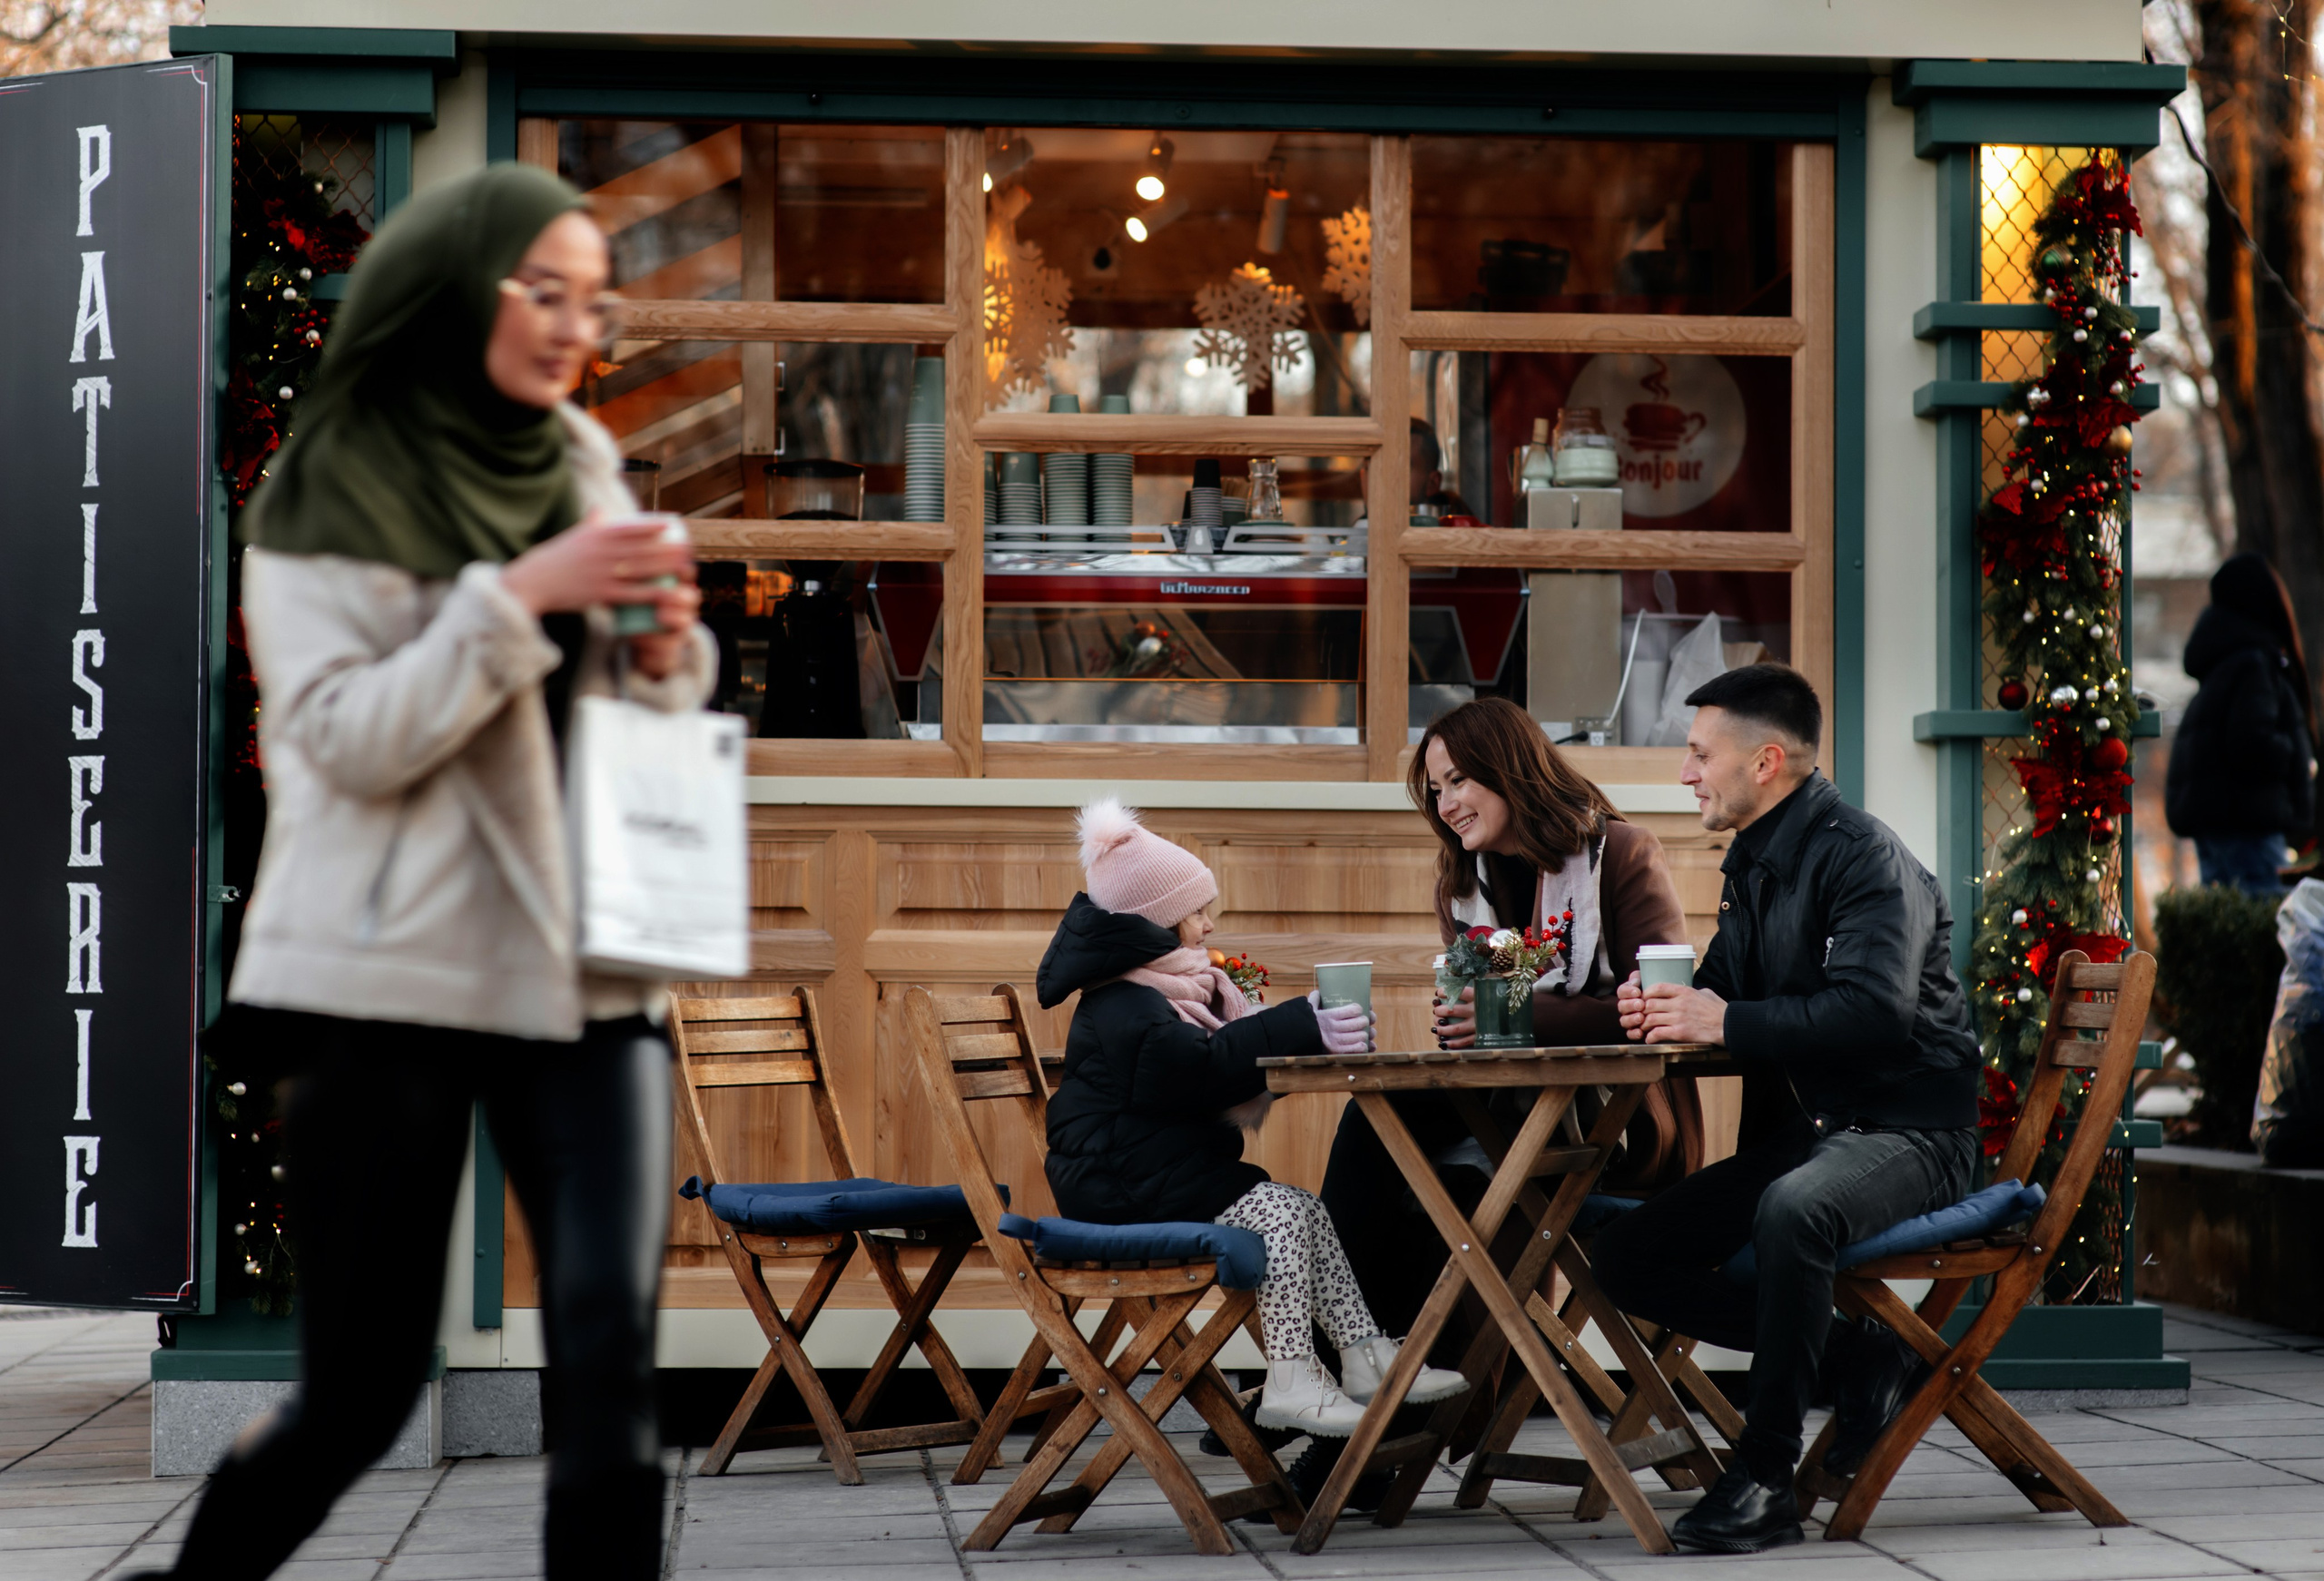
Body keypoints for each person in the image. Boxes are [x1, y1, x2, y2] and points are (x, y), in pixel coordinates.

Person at [154, 165, 714, 1581]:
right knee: (364, 1388)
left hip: (586, 961)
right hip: (382, 975)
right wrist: (521, 596)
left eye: (592, 300)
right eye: (540, 289)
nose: (568, 326)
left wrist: (665, 656)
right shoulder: (326, 483)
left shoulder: (577, 458)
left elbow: (627, 711)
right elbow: (338, 739)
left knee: (607, 1350)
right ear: (451, 282)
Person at [1598, 663, 1981, 1555]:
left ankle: (1765, 1474)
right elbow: (1724, 992)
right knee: (1625, 1252)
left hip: (1910, 1128)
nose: (1685, 773)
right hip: (1822, 1131)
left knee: (1791, 1209)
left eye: (1699, 754)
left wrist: (1721, 1015)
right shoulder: (1757, 862)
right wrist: (1663, 1007)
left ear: (1765, 759)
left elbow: (1874, 1008)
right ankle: (1862, 1358)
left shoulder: (1862, 857)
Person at [1287, 696, 1695, 1504]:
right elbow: (1489, 1036)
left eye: (1462, 780)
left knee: (1446, 1187)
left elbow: (1661, 1002)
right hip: (1506, 1120)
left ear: (1512, 771)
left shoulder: (1620, 854)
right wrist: (1464, 1025)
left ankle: (1348, 1414)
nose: (1447, 804)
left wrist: (1513, 1015)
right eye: (1436, 789)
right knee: (1394, 1144)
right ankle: (1350, 1410)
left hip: (1615, 1126)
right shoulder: (1463, 881)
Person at [1038, 799, 1470, 1439]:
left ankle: (1362, 1354)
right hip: (1121, 1186)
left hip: (1153, 1172)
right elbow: (1195, 1070)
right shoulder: (1123, 1004)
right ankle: (1292, 1377)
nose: (1208, 925)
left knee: (1301, 1207)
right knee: (1282, 1213)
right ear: (1154, 920)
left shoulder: (1158, 988)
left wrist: (1307, 1037)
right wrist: (1299, 1023)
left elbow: (1205, 1075)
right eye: (1196, 912)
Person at [2166, 551, 2318, 895]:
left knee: (2228, 925)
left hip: (2222, 823)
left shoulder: (2226, 662)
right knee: (2264, 924)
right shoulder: (2254, 664)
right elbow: (2252, 740)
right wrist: (2296, 757)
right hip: (2251, 826)